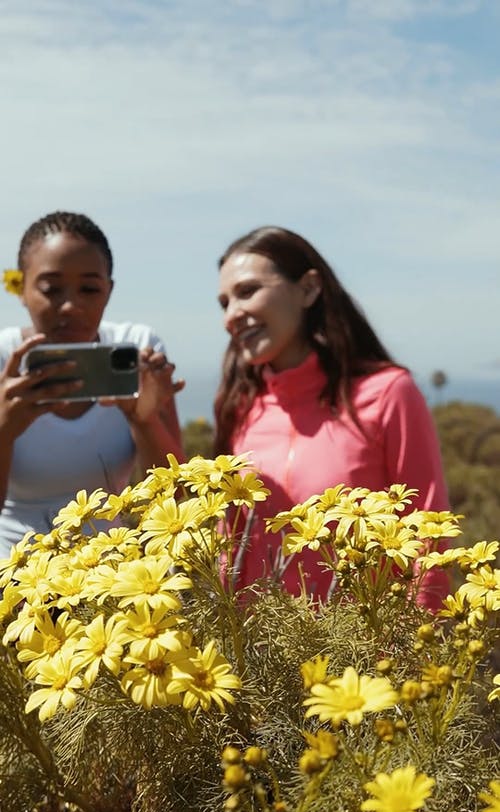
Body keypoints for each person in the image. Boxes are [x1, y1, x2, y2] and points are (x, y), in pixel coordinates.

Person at [214, 226, 449, 611]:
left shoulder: (388, 393)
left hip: (365, 660)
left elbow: (428, 536)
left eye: (247, 291)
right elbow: (230, 542)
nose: (231, 315)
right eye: (223, 302)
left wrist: (416, 658)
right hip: (259, 661)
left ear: (308, 289)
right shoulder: (241, 406)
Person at [0, 210, 184, 556]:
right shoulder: (2, 361)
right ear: (21, 288)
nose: (71, 305)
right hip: (13, 581)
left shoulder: (138, 349)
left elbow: (176, 500)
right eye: (51, 289)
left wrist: (143, 421)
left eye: (89, 288)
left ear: (109, 291)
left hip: (109, 580)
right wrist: (3, 432)